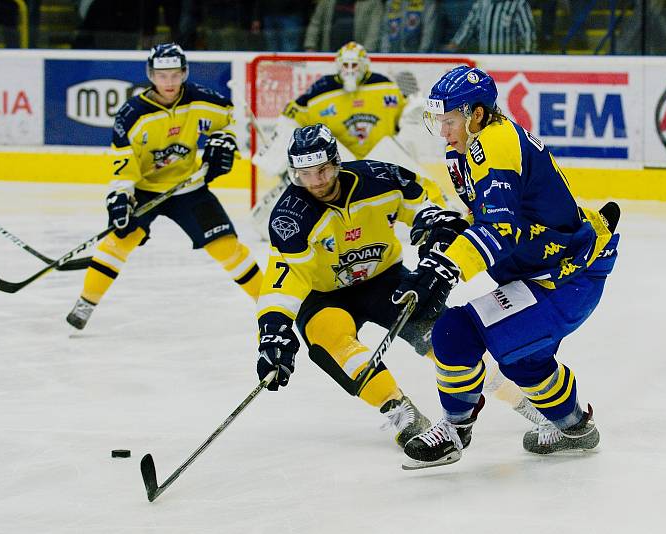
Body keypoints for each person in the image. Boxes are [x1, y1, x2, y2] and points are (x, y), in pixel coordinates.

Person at [396, 66, 620, 469]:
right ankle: (564, 427)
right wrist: (451, 226)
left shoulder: (496, 142)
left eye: (450, 120)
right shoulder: (463, 149)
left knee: (485, 340)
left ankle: (469, 429)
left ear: (476, 114)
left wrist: (444, 267)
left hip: (567, 275)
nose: (444, 130)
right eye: (440, 121)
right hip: (536, 272)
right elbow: (489, 217)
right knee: (500, 350)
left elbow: (501, 229)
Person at [252, 123, 470, 447]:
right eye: (305, 174)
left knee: (448, 338)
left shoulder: (381, 178)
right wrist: (273, 329)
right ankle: (399, 408)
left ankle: (521, 395)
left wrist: (434, 222)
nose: (316, 181)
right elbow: (285, 278)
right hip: (324, 296)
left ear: (336, 162)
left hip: (386, 280)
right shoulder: (291, 218)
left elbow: (425, 201)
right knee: (331, 342)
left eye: (322, 170)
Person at [65, 44, 263, 330]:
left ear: (184, 73)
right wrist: (120, 196)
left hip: (189, 188)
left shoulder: (201, 100)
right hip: (145, 190)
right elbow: (123, 161)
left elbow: (229, 120)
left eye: (174, 74)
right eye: (161, 75)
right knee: (117, 242)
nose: (168, 82)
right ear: (151, 75)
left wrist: (226, 141)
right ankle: (86, 302)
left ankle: (270, 304)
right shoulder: (131, 114)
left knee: (227, 247)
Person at [252, 41, 448, 220]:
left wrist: (413, 113)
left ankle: (439, 209)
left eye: (354, 65)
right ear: (338, 65)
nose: (350, 70)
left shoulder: (384, 86)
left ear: (364, 65)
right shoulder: (320, 90)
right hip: (340, 163)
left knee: (399, 157)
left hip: (380, 160)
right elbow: (290, 120)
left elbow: (404, 120)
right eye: (345, 65)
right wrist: (275, 155)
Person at [443, 0, 536, 54]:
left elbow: (528, 33)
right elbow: (469, 26)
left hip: (508, 64)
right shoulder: (482, 3)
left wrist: (526, 58)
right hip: (484, 62)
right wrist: (455, 44)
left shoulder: (519, 3)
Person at [303, 0, 384, 52]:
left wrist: (365, 52)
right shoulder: (326, 2)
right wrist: (310, 46)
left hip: (357, 56)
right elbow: (315, 24)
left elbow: (374, 31)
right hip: (329, 53)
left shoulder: (373, 3)